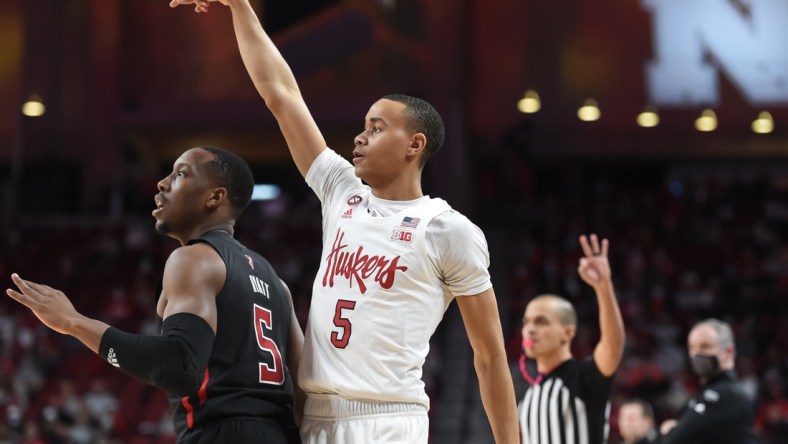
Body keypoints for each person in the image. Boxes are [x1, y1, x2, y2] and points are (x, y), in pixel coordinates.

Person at [169, 1, 519, 443]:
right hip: (313, 418)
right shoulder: (341, 190)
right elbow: (281, 93)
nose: (359, 136)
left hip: (389, 420)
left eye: (376, 128)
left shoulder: (447, 229)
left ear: (415, 144)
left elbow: (489, 357)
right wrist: (240, 6)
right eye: (363, 126)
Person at [6, 147, 304, 443]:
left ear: (215, 197)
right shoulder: (278, 285)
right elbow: (307, 393)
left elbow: (179, 368)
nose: (162, 183)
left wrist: (73, 322)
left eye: (181, 174)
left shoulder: (194, 258)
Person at [518, 234, 625, 444]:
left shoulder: (584, 376)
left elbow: (613, 346)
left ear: (568, 333)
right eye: (526, 322)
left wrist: (604, 287)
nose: (530, 329)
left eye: (541, 322)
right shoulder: (526, 394)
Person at [659, 318, 756, 444]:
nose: (696, 354)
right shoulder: (702, 395)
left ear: (728, 351)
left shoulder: (727, 395)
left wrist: (669, 430)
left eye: (705, 347)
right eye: (692, 348)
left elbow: (672, 440)